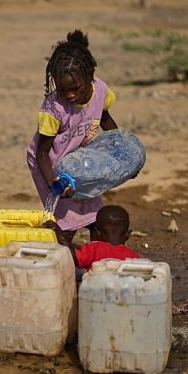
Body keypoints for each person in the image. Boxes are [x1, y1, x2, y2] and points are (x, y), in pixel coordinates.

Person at [27, 29, 118, 245]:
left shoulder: (100, 91)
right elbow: (42, 151)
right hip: (50, 165)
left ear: (90, 76)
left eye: (75, 89)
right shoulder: (54, 108)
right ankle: (62, 257)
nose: (69, 95)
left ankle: (97, 258)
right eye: (63, 90)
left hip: (79, 161)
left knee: (95, 218)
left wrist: (121, 154)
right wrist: (53, 182)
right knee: (67, 222)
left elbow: (107, 122)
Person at [47, 205, 139, 271]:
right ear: (128, 235)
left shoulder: (94, 249)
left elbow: (72, 257)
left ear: (97, 233)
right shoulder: (133, 257)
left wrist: (58, 232)